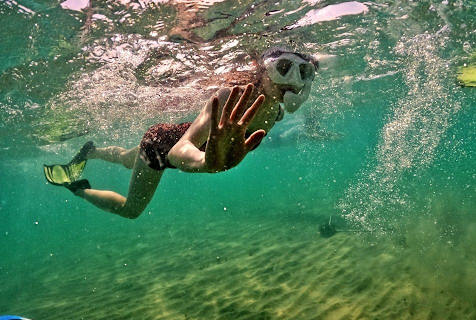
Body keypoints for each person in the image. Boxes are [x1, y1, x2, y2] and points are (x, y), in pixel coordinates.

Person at [43, 47, 318, 219]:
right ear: (264, 70)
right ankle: (77, 189)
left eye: (304, 72)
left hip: (171, 141)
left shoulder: (276, 111)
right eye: (283, 69)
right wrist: (207, 163)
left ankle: (91, 150)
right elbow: (177, 152)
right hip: (162, 145)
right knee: (131, 210)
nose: (294, 81)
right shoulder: (229, 97)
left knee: (128, 158)